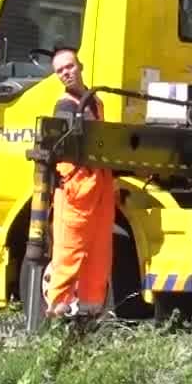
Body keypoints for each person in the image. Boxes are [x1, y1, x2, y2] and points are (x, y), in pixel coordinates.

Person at [44, 47, 116, 319]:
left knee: (99, 248)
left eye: (69, 66)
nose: (65, 73)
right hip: (76, 183)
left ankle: (91, 308)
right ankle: (57, 308)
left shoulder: (95, 101)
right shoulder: (64, 106)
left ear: (80, 66)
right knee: (70, 247)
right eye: (59, 71)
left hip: (98, 180)